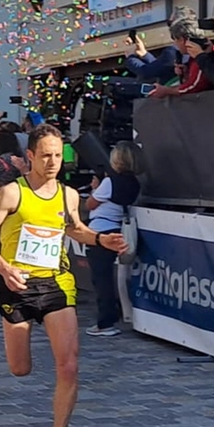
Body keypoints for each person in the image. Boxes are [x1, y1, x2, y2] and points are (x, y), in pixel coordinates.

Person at [0, 124, 128, 427]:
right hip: (18, 287)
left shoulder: (68, 195)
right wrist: (3, 267)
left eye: (58, 155)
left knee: (69, 364)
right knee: (20, 369)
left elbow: (74, 229)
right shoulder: (13, 193)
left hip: (57, 284)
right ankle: (15, 332)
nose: (53, 162)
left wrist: (102, 240)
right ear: (30, 156)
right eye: (46, 155)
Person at [85, 142, 141, 337]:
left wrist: (95, 188)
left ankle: (106, 321)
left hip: (101, 231)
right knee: (110, 277)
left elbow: (90, 204)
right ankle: (113, 315)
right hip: (118, 228)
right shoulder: (134, 183)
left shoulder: (110, 183)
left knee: (101, 279)